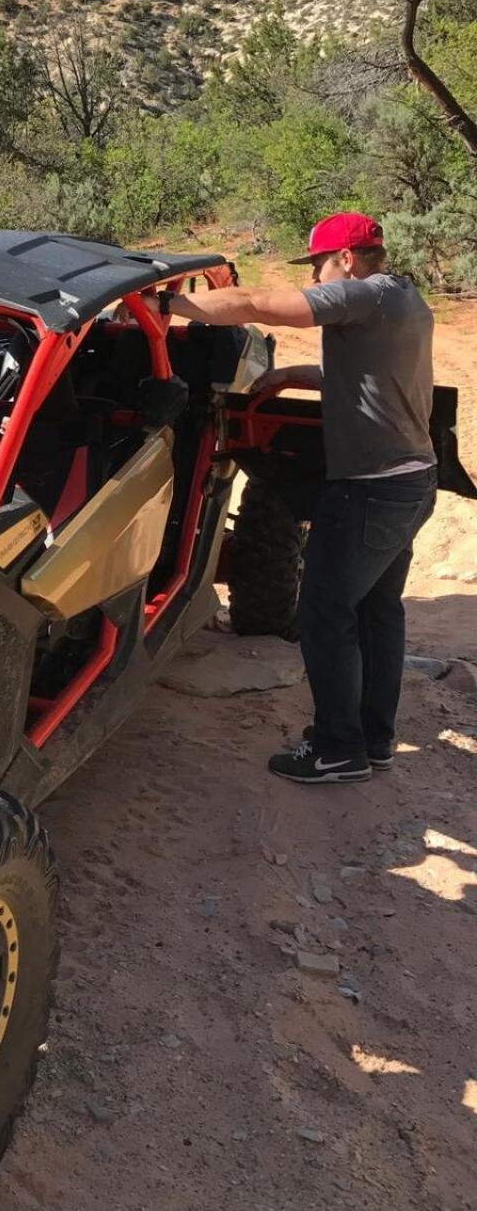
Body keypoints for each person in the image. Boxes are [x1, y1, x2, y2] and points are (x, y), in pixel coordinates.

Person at [163, 212, 436, 786]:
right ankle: (374, 740)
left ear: (345, 260)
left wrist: (170, 307)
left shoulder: (360, 296)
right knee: (376, 610)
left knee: (323, 611)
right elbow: (370, 374)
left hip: (371, 489)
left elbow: (260, 303)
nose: (314, 278)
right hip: (411, 481)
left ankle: (339, 748)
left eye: (316, 265)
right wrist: (294, 373)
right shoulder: (404, 299)